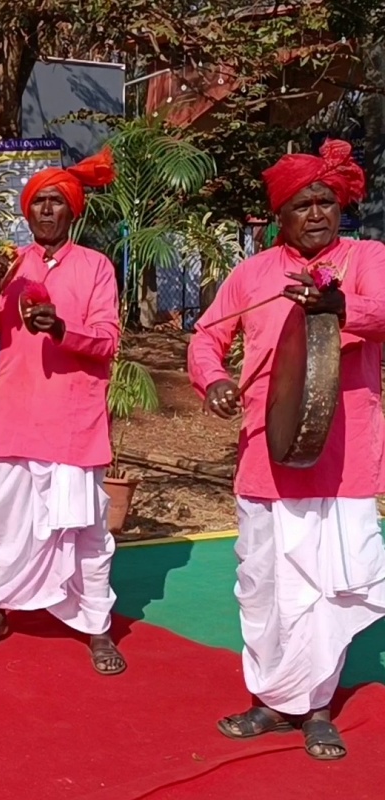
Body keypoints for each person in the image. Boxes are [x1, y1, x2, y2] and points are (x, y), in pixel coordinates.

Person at [187, 138, 385, 761]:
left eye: (327, 201)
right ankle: (272, 700)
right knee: (266, 584)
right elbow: (205, 339)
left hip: (343, 460)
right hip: (265, 459)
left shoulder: (365, 258)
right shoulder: (253, 274)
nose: (318, 214)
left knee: (327, 588)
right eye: (303, 205)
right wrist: (215, 380)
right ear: (282, 216)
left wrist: (340, 306)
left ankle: (318, 705)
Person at [0, 150, 126, 675]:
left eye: (56, 202)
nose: (47, 211)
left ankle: (96, 626)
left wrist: (60, 331)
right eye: (39, 204)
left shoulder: (96, 267)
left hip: (73, 423)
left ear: (71, 211)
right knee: (2, 524)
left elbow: (108, 341)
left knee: (86, 532)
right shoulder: (11, 264)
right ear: (27, 214)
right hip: (15, 418)